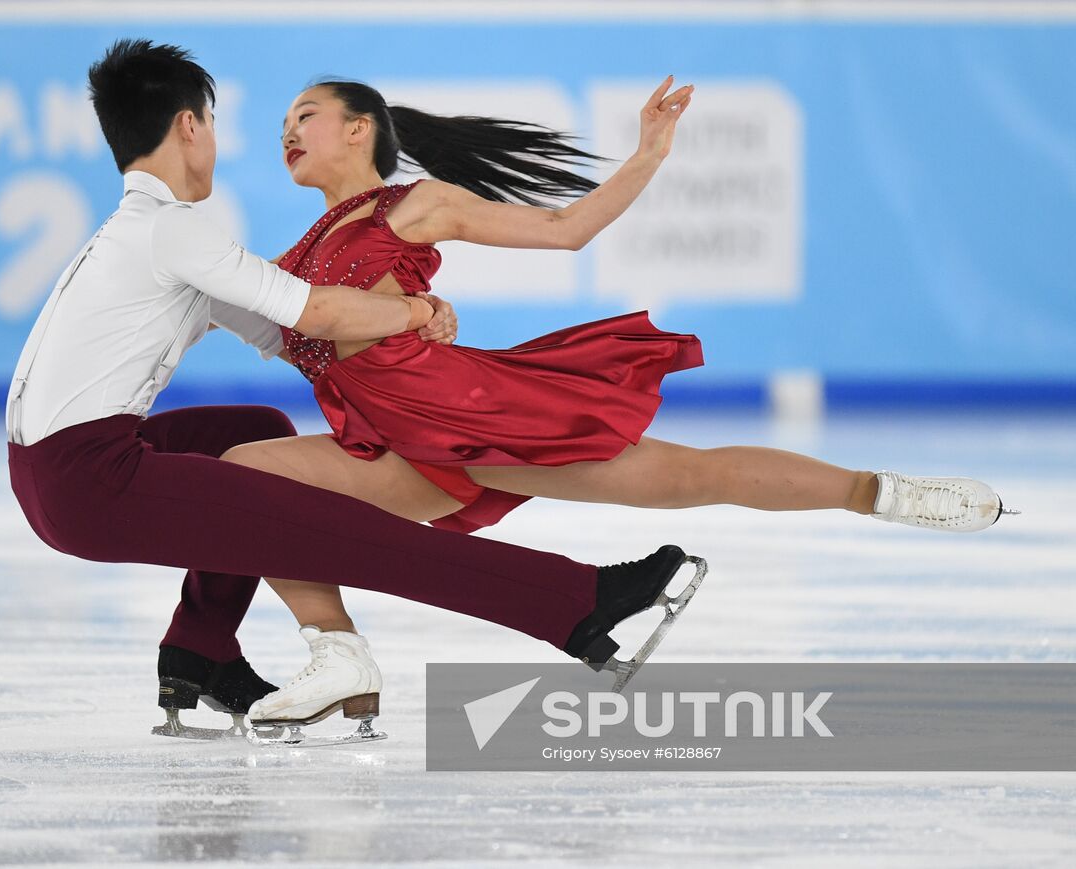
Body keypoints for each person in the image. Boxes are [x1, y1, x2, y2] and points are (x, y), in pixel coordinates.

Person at [220, 77, 1013, 729]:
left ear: (361, 130)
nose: (287, 131)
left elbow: (565, 230)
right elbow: (279, 320)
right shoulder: (300, 253)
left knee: (694, 477)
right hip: (393, 445)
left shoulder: (415, 205)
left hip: (476, 416)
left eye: (306, 116)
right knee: (246, 479)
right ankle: (337, 653)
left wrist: (647, 156)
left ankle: (887, 492)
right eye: (284, 121)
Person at [6, 39, 702, 743]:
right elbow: (313, 311)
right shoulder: (174, 230)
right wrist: (417, 313)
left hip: (45, 469)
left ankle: (201, 645)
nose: (218, 140)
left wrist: (397, 347)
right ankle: (572, 602)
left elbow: (287, 332)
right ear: (189, 126)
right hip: (85, 484)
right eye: (211, 124)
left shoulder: (138, 231)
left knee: (251, 431)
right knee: (329, 528)